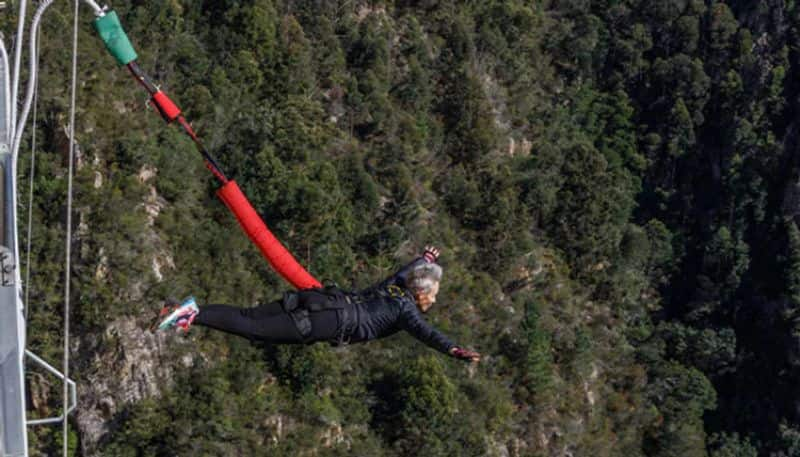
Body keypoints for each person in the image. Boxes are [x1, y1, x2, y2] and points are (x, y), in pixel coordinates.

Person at [155, 246, 481, 363]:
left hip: (324, 297)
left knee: (249, 316)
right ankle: (190, 315)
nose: (435, 299)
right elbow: (427, 333)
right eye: (434, 293)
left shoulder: (393, 289)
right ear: (422, 293)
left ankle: (189, 312)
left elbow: (402, 274)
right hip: (328, 322)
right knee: (255, 329)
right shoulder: (406, 310)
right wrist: (452, 349)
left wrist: (421, 260)